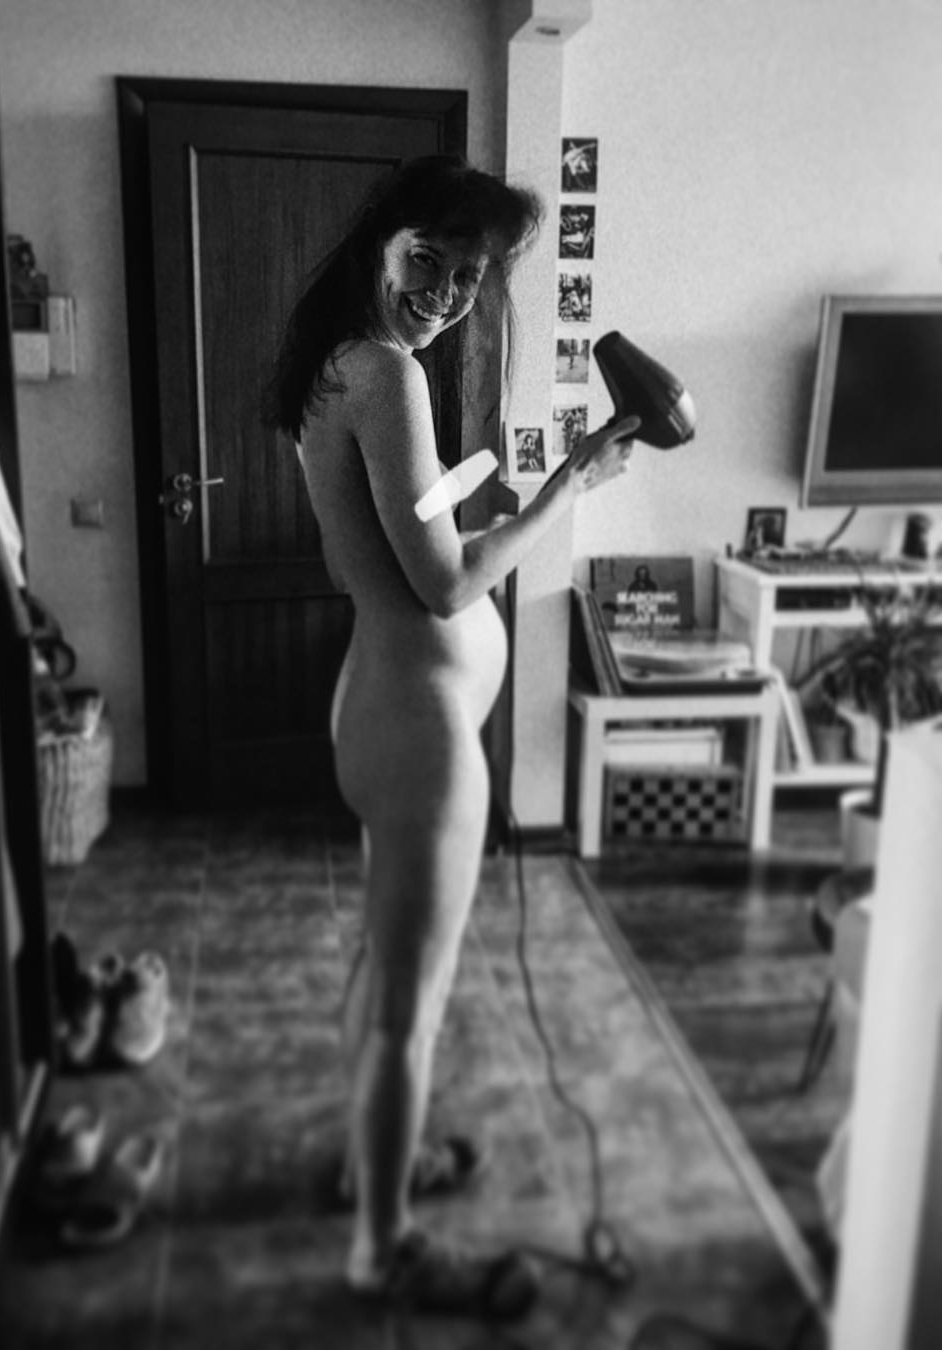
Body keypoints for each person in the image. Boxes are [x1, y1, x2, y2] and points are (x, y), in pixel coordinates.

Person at [263, 155, 638, 1318]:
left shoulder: (344, 364)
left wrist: (488, 507)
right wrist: (570, 484)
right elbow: (442, 587)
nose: (446, 293)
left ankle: (372, 1166)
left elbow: (413, 540)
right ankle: (383, 1246)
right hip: (418, 731)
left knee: (383, 974)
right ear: (383, 239)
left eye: (471, 278)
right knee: (408, 1012)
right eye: (430, 260)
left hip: (380, 704)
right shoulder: (386, 374)